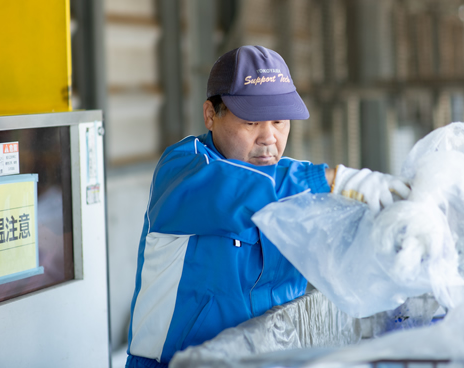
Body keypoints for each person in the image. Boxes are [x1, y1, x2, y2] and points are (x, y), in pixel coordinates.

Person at [125, 45, 410, 367]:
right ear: (210, 115)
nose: (269, 137)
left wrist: (395, 228)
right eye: (251, 123)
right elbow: (233, 191)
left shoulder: (292, 181)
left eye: (279, 121)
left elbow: (346, 247)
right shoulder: (184, 170)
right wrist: (333, 182)